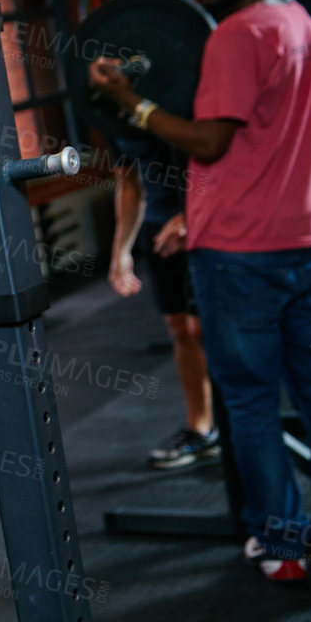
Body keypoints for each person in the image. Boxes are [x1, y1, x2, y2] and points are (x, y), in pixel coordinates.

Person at [89, 0, 311, 586]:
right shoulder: (303, 24)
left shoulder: (236, 36)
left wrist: (132, 105)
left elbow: (212, 140)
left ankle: (282, 542)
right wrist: (193, 216)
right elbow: (263, 145)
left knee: (253, 401)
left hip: (242, 259)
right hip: (310, 242)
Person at [106, 135, 219, 469]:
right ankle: (202, 430)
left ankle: (250, 425)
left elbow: (220, 158)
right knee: (180, 328)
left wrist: (192, 214)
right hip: (158, 225)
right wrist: (120, 252)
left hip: (207, 218)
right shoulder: (111, 115)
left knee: (208, 328)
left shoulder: (171, 95)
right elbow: (128, 184)